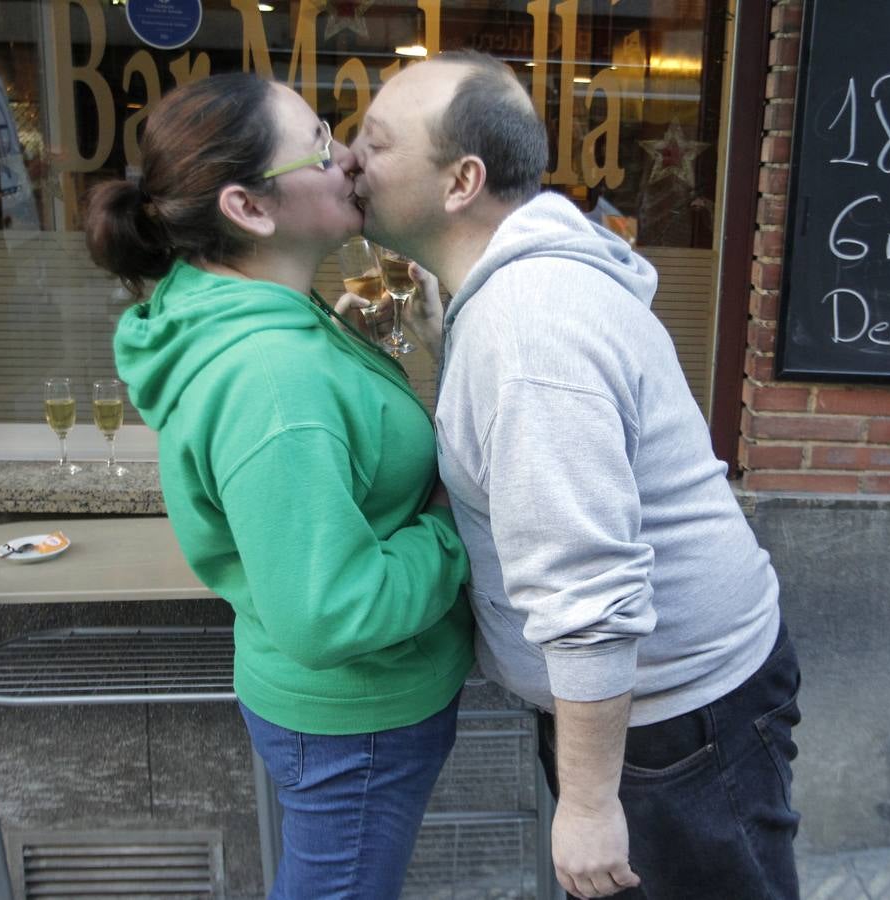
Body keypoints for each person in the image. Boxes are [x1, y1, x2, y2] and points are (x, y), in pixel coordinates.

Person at [348, 52, 802, 900]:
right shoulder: (507, 299)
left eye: (374, 143)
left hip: (678, 719)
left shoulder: (529, 329)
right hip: (657, 705)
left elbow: (587, 583)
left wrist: (590, 804)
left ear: (462, 182)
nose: (348, 160)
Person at [83, 72, 473, 899]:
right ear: (249, 209)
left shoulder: (264, 312)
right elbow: (327, 612)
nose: (350, 158)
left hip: (341, 711)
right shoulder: (274, 376)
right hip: (358, 718)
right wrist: (450, 527)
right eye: (322, 146)